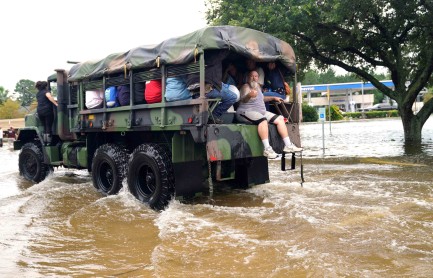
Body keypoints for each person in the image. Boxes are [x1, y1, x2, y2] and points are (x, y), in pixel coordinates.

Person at [236, 70, 302, 159]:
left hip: (260, 112)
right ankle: (267, 149)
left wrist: (273, 97)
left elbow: (262, 98)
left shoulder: (258, 87)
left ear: (258, 78)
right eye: (252, 76)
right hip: (246, 111)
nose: (254, 78)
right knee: (263, 121)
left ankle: (288, 145)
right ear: (248, 77)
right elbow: (243, 99)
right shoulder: (245, 87)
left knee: (280, 119)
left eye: (256, 76)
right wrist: (249, 95)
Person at [36, 81, 58, 145]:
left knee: (44, 126)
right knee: (48, 126)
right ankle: (49, 142)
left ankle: (45, 142)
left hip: (39, 111)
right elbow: (49, 97)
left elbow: (42, 100)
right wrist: (56, 104)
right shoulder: (46, 92)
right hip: (47, 111)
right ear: (46, 86)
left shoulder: (38, 94)